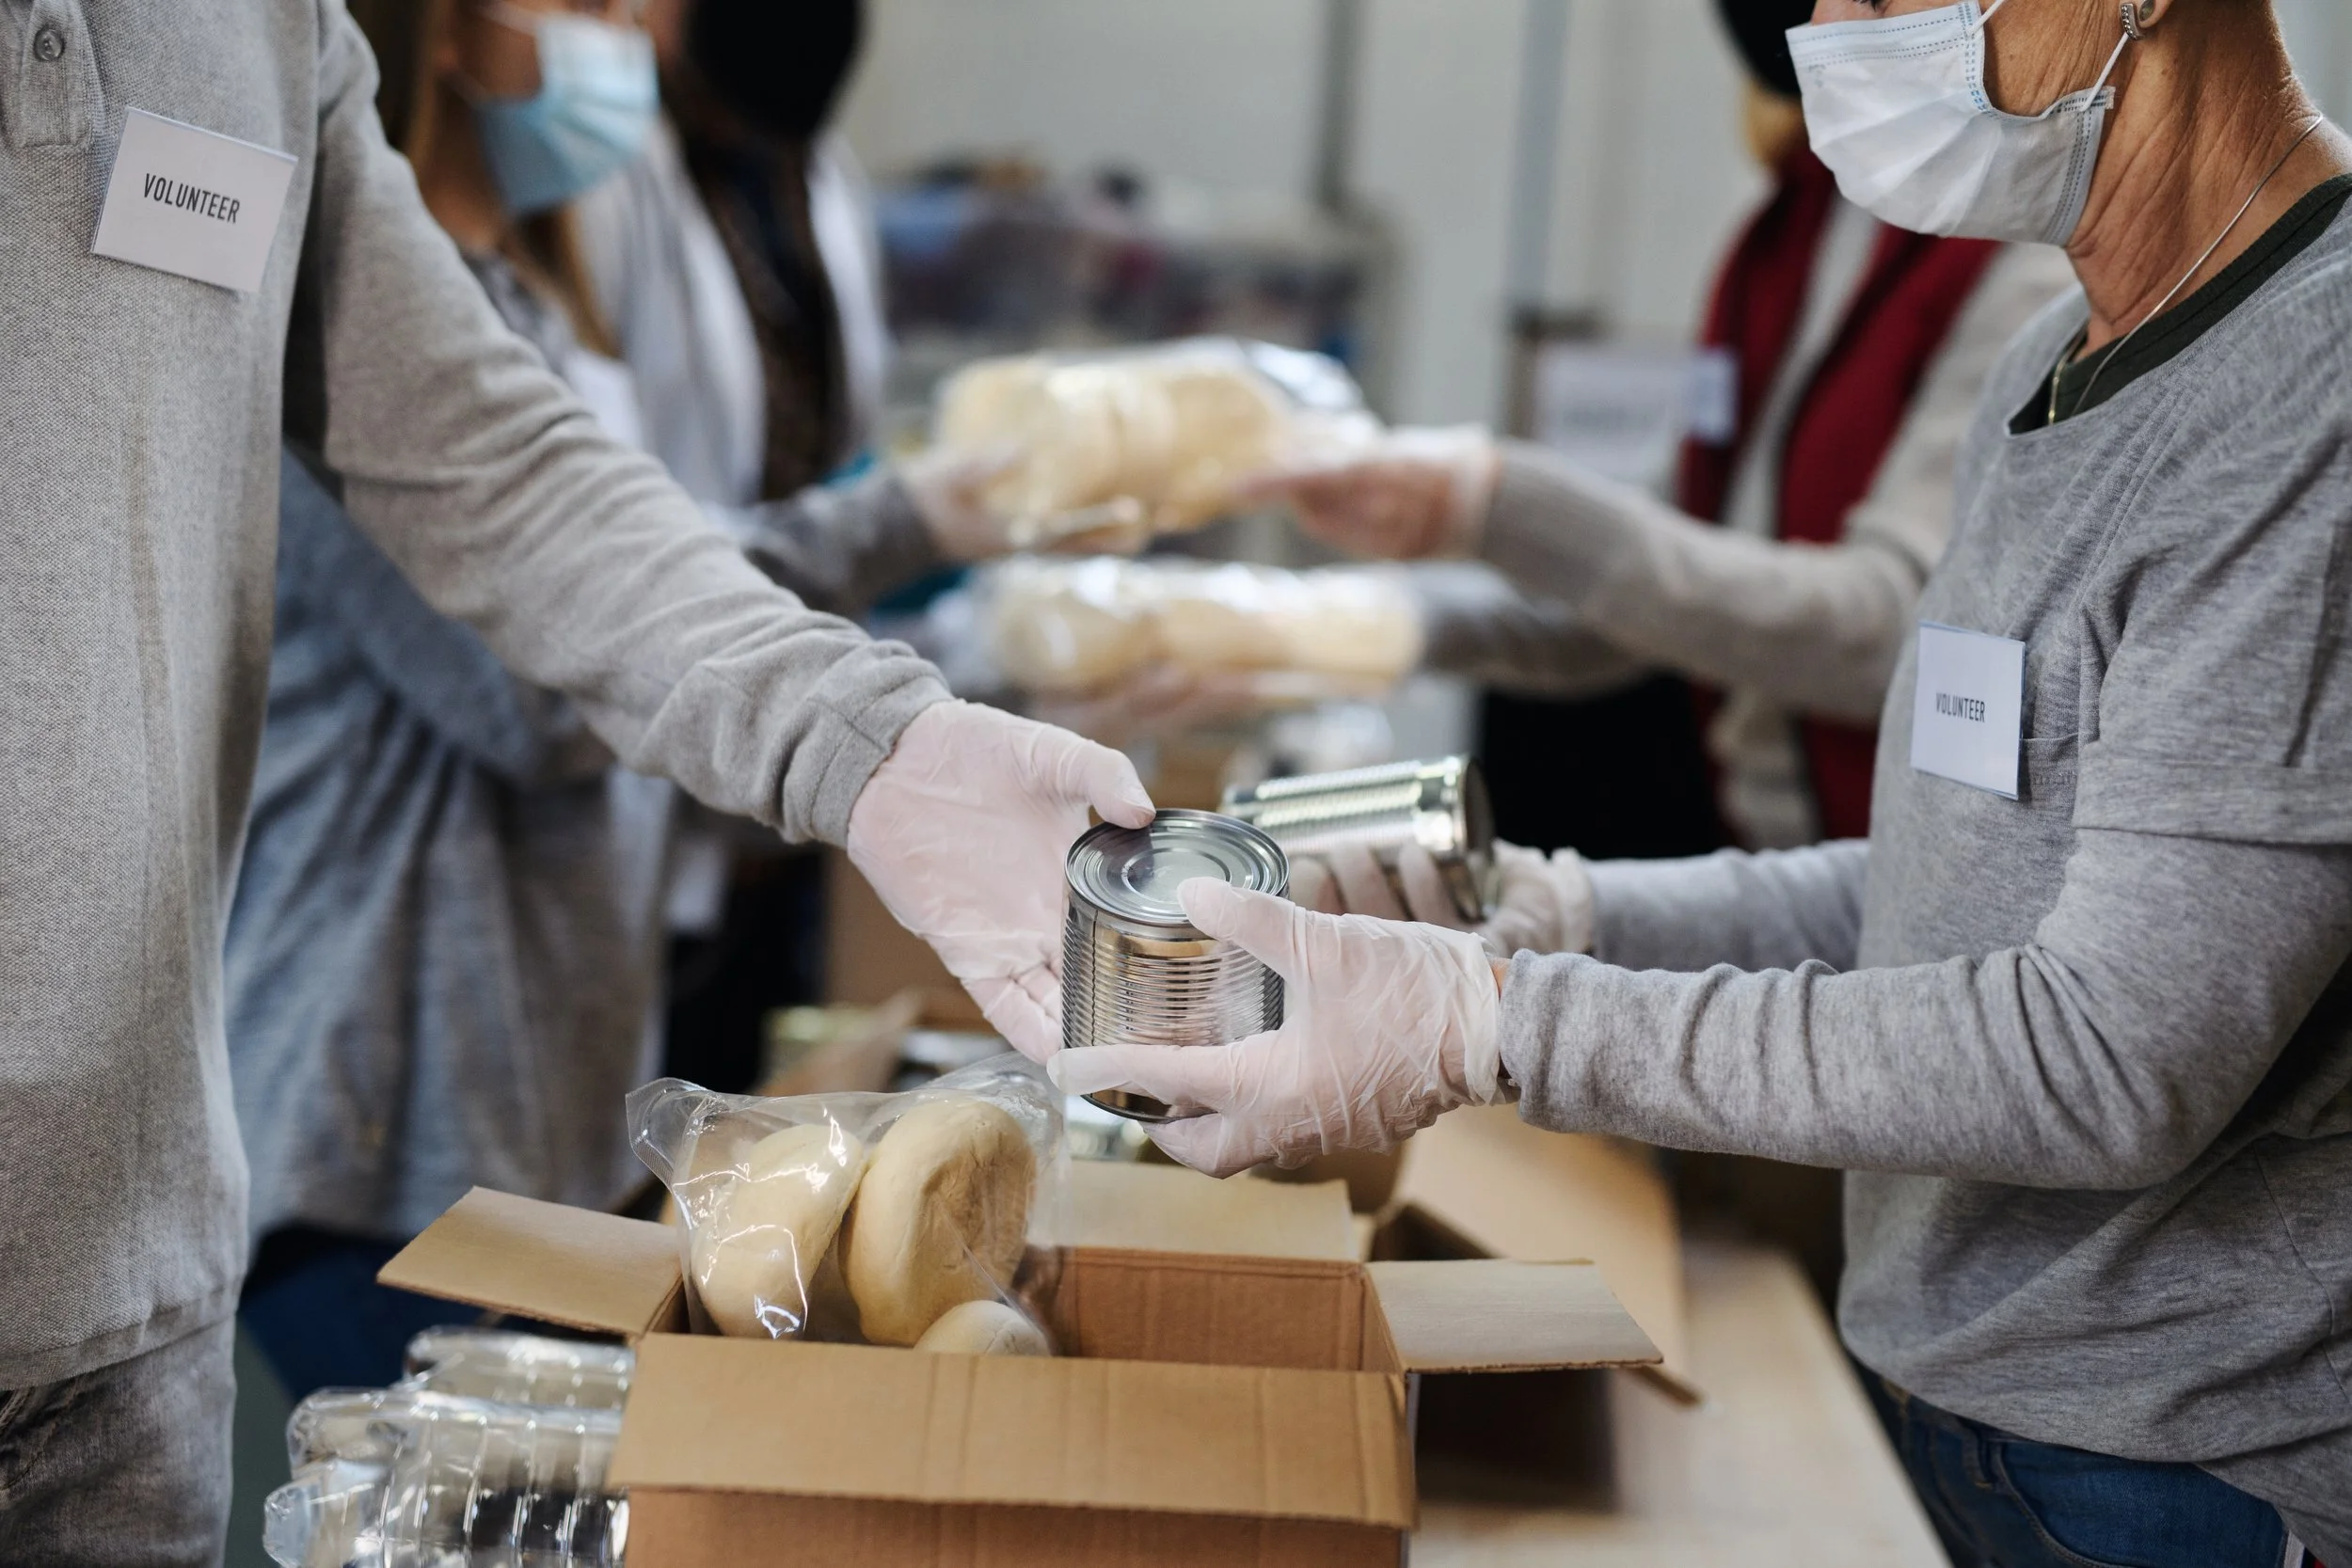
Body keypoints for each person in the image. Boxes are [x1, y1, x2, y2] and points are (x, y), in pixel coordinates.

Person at [1060, 0, 2352, 1561]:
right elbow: (1955, 888)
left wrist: (1492, 1021)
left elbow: (2106, 1056)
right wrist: (1556, 913)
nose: (1831, 34)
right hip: (1983, 1410)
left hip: (2188, 1468)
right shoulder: (2050, 367)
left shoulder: (2315, 394)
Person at [0, 3, 1149, 1560]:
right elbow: (526, 707)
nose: (628, 31)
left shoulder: (261, 34)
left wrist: (892, 744)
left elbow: (504, 471)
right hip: (364, 1131)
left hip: (135, 1296)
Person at [227, 0, 1013, 1400]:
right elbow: (552, 686)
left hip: (536, 1129)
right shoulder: (357, 342)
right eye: (575, 1)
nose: (626, 34)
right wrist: (898, 535)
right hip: (377, 1143)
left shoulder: (534, 312)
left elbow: (647, 602)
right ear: (441, 30)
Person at [1260, 0, 2074, 872]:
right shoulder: (1789, 233)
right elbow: (1656, 600)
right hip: (1768, 855)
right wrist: (1360, 622)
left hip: (1905, 873)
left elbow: (1891, 636)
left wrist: (1494, 504)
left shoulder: (2021, 260)